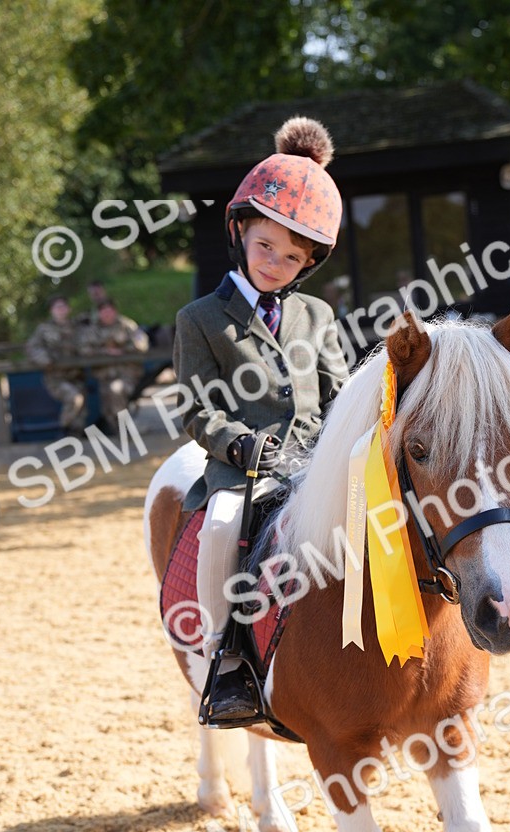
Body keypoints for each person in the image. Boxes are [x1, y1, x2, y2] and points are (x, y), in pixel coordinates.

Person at [174, 115, 349, 720]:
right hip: (241, 469)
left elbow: (338, 393)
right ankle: (225, 661)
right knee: (222, 530)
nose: (275, 263)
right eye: (266, 246)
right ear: (241, 231)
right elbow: (194, 407)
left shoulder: (318, 316)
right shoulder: (200, 319)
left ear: (308, 264)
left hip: (313, 464)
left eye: (292, 256)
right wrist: (238, 444)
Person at [78, 298, 149, 434]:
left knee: (116, 390)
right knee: (107, 407)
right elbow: (83, 349)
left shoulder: (127, 325)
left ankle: (123, 428)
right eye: (103, 311)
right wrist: (104, 351)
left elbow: (142, 343)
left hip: (127, 375)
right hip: (103, 377)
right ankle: (119, 429)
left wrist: (123, 350)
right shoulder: (92, 330)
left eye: (109, 310)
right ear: (99, 313)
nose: (107, 314)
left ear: (115, 311)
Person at [25, 296, 87, 432]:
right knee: (74, 398)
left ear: (69, 309)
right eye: (57, 307)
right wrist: (45, 360)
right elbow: (32, 348)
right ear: (51, 310)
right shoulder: (43, 329)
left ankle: (75, 436)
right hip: (55, 377)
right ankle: (64, 430)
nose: (60, 310)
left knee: (80, 413)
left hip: (77, 376)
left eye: (63, 306)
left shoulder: (78, 327)